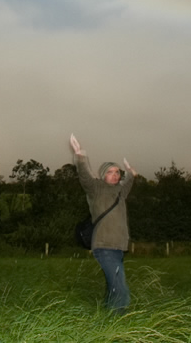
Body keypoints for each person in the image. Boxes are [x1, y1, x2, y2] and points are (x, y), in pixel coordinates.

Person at [69, 133, 136, 313]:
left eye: (117, 172)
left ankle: (106, 322)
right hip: (104, 247)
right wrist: (80, 155)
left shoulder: (121, 193)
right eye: (110, 172)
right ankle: (118, 326)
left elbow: (128, 183)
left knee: (113, 288)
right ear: (102, 175)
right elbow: (84, 177)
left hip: (119, 247)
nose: (114, 175)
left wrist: (130, 172)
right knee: (120, 289)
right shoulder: (96, 189)